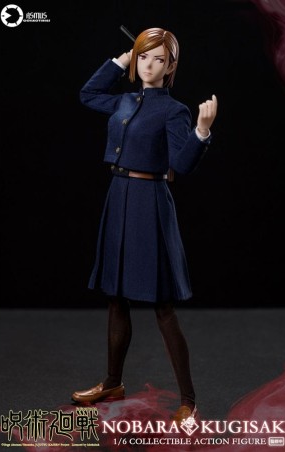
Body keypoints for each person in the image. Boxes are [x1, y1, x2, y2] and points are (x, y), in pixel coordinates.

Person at [71, 27, 217, 424]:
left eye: (158, 58)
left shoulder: (174, 111)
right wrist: (119, 61)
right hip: (118, 196)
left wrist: (201, 132)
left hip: (149, 202)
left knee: (162, 306)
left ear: (170, 67)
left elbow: (181, 164)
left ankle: (188, 400)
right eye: (143, 56)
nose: (149, 64)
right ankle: (112, 383)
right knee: (116, 296)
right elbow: (88, 94)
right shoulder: (124, 99)